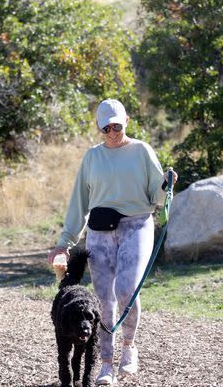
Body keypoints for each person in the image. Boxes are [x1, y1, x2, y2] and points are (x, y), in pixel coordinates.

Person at [47, 98, 177, 386]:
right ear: (99, 129)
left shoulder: (141, 151)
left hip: (136, 225)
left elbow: (157, 196)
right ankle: (106, 366)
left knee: (127, 288)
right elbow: (78, 204)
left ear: (127, 121)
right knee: (104, 300)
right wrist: (64, 243)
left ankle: (128, 347)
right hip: (100, 230)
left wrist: (167, 186)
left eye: (116, 125)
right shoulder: (92, 157)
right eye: (105, 128)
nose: (112, 132)